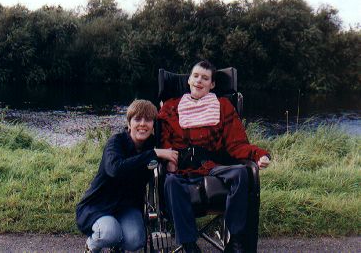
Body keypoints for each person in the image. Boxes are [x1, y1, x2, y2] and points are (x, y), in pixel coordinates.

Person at [158, 61, 271, 253]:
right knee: (170, 183)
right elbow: (163, 140)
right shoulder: (171, 107)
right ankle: (189, 245)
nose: (199, 81)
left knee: (242, 173)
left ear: (212, 85)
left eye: (205, 78)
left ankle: (235, 241)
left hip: (211, 166)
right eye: (195, 76)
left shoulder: (223, 106)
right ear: (189, 80)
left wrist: (259, 154)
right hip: (181, 169)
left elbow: (237, 144)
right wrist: (169, 161)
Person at [76, 99, 178, 253]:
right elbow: (115, 169)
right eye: (137, 119)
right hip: (99, 205)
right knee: (110, 233)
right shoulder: (116, 142)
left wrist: (170, 165)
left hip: (127, 207)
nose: (142, 124)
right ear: (129, 123)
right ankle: (91, 246)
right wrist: (154, 154)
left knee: (136, 241)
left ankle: (117, 248)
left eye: (148, 120)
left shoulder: (154, 144)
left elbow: (162, 177)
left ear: (153, 125)